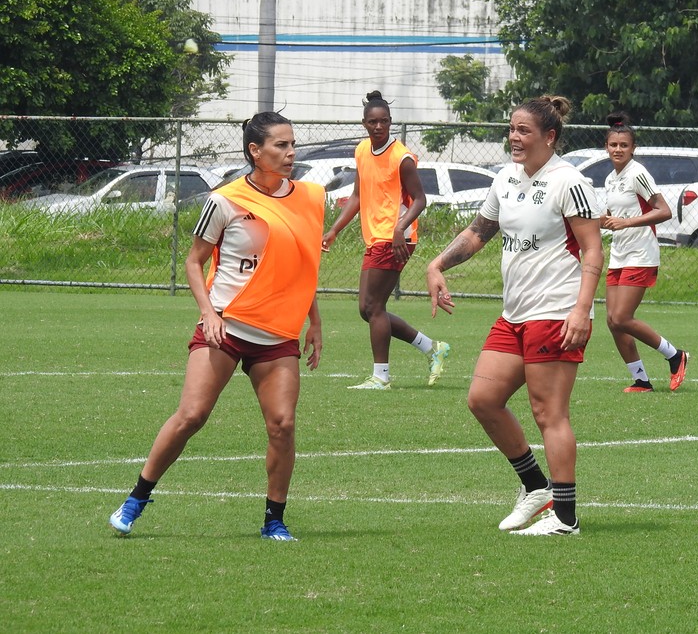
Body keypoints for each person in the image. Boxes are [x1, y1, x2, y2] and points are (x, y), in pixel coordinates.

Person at [108, 111, 325, 542]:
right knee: (192, 415)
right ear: (254, 151)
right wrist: (208, 312)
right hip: (226, 325)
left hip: (278, 334)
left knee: (282, 425)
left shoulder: (310, 197)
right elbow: (193, 262)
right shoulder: (224, 200)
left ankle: (274, 521)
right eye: (280, 145)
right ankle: (136, 498)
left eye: (292, 143)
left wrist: (314, 321)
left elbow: (301, 267)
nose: (290, 152)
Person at [426, 95, 603, 536]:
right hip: (515, 314)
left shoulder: (569, 181)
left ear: (550, 136)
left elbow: (593, 250)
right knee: (482, 400)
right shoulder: (504, 178)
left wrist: (582, 311)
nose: (514, 138)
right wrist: (436, 266)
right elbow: (478, 232)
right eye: (511, 129)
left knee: (549, 414)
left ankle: (565, 518)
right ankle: (535, 486)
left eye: (524, 131)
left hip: (556, 310)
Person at [322, 90, 449, 390]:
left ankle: (381, 377)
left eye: (384, 122)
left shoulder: (401, 157)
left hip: (397, 238)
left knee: (373, 306)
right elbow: (357, 195)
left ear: (390, 122)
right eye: (372, 122)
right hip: (376, 236)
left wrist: (399, 228)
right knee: (367, 310)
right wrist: (335, 229)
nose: (378, 127)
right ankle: (432, 348)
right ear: (364, 123)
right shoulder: (362, 151)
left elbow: (420, 199)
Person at [601, 111, 688, 393]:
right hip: (620, 253)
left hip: (641, 253)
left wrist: (626, 222)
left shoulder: (638, 173)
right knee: (613, 322)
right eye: (614, 145)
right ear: (607, 147)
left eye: (624, 145)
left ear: (633, 148)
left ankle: (675, 355)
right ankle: (641, 380)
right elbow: (615, 215)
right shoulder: (611, 179)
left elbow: (663, 211)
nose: (618, 149)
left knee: (622, 317)